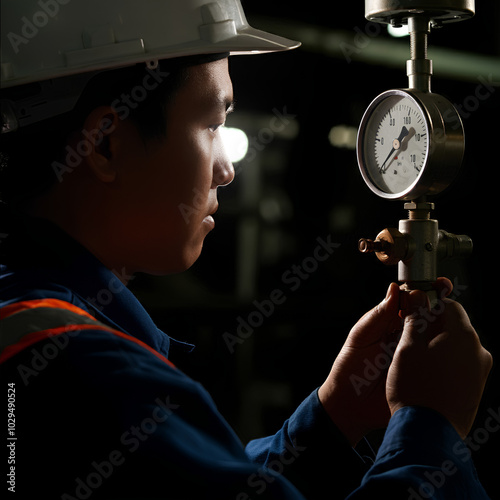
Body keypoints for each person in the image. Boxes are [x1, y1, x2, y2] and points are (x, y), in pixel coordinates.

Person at [0, 1, 493, 498]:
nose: (226, 169)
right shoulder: (94, 375)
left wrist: (334, 415)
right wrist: (429, 427)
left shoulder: (29, 323)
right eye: (212, 124)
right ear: (105, 144)